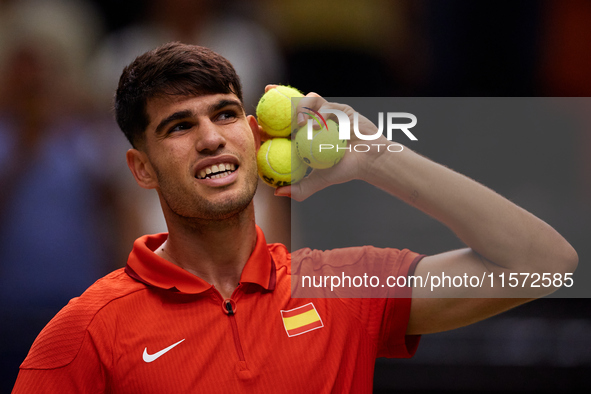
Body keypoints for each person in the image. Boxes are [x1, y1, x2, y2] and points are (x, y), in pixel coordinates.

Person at [12, 42, 578, 393]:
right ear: (142, 169)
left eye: (225, 114)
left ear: (254, 135)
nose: (210, 137)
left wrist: (378, 159)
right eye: (179, 127)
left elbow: (546, 264)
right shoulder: (86, 332)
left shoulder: (342, 287)